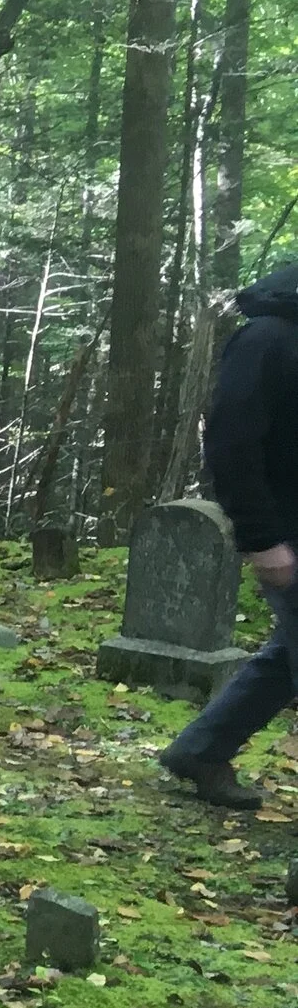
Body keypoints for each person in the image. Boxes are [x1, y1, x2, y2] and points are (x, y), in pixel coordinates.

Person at [157, 264, 298, 809]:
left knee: (284, 656)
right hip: (288, 532)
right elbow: (231, 443)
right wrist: (263, 540)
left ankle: (202, 750)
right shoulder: (268, 338)